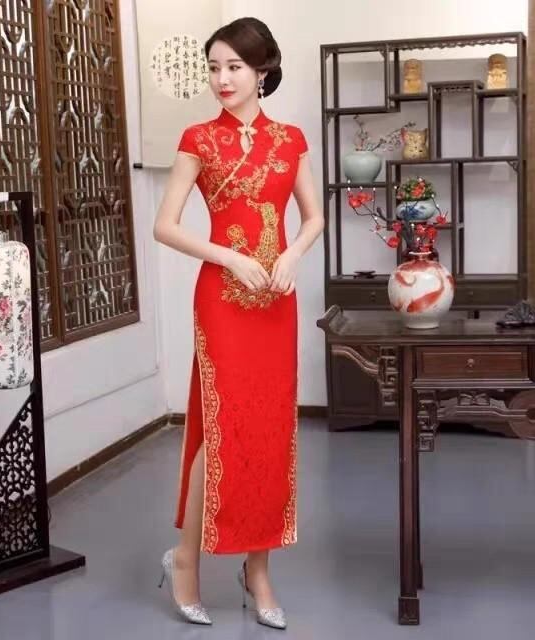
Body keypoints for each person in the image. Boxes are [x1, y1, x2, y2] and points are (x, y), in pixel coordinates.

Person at [153, 16, 324, 629]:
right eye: (214, 67)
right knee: (222, 426)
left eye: (234, 67)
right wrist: (229, 257)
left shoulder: (291, 139)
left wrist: (292, 254)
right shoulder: (199, 139)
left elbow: (313, 217)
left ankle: (258, 571)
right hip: (222, 301)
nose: (222, 79)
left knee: (269, 430)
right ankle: (186, 560)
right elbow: (165, 226)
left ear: (262, 70)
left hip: (276, 301)